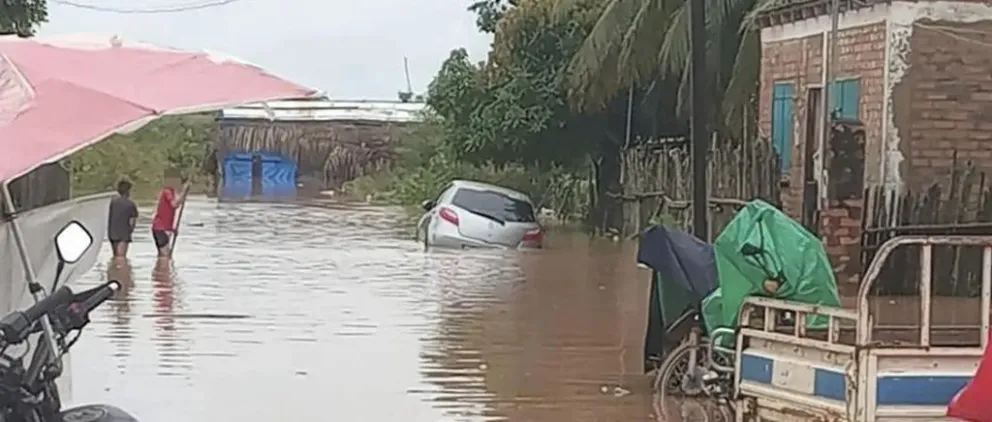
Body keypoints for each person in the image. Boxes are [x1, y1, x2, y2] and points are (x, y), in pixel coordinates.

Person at [151, 169, 189, 258]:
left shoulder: (171, 192)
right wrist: (184, 191)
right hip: (160, 228)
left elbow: (177, 203)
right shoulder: (167, 191)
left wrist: (172, 229)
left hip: (162, 228)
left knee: (162, 257)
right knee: (165, 257)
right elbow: (174, 204)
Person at [107, 179, 138, 259]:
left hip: (112, 233)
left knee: (115, 256)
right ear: (128, 191)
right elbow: (132, 223)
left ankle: (113, 270)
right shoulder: (131, 204)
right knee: (121, 258)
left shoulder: (113, 202)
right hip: (124, 234)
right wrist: (129, 232)